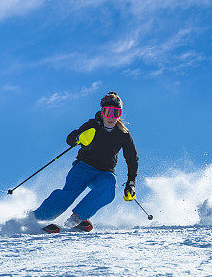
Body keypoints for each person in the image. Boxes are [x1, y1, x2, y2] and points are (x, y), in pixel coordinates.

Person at [33, 92, 139, 232]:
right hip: (83, 168)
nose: (111, 117)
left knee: (108, 187)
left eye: (116, 113)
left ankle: (78, 217)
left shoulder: (123, 133)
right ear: (102, 112)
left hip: (104, 172)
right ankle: (38, 219)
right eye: (108, 112)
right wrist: (79, 138)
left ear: (120, 115)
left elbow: (132, 158)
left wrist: (131, 183)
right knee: (70, 194)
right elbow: (70, 139)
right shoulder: (93, 125)